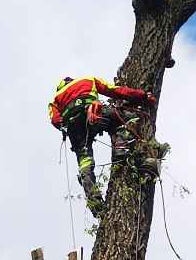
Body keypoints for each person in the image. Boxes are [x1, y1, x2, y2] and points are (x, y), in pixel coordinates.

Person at [48, 74, 157, 216]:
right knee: (126, 118)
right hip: (94, 114)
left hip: (75, 130)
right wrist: (143, 96)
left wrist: (67, 127)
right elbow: (115, 90)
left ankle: (96, 204)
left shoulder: (56, 98)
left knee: (85, 164)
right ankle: (121, 148)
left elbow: (55, 120)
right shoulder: (87, 80)